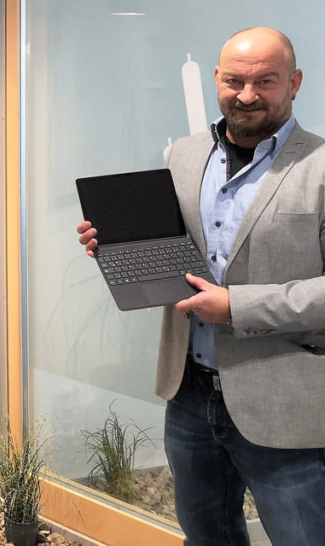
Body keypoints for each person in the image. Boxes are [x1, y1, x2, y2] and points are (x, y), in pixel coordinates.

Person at [77, 27, 325, 545]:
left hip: (285, 402)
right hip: (188, 393)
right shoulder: (184, 158)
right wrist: (115, 244)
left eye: (266, 81)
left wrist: (237, 306)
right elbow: (172, 250)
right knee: (206, 536)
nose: (248, 95)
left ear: (295, 82)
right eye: (234, 80)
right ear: (216, 79)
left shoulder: (320, 166)